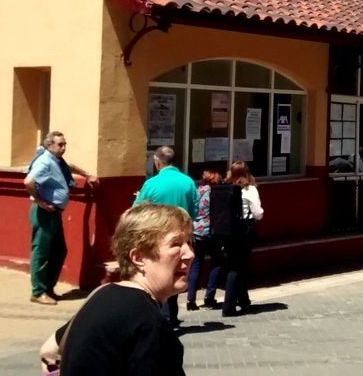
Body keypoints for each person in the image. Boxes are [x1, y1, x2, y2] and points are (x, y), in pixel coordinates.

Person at [39, 203, 193, 375]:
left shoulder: (102, 294)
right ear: (138, 258)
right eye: (176, 244)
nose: (190, 253)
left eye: (189, 242)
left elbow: (49, 350)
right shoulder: (150, 325)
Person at [23, 131, 99, 305]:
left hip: (54, 213)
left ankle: (48, 288)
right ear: (50, 146)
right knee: (41, 252)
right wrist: (40, 201)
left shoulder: (56, 160)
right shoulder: (44, 162)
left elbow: (68, 166)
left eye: (64, 144)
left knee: (59, 251)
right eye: (60, 145)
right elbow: (28, 182)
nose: (63, 148)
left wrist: (86, 174)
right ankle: (38, 292)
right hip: (45, 212)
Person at [134, 146, 198, 328]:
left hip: (158, 237)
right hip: (182, 237)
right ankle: (172, 315)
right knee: (178, 272)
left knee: (159, 274)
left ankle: (163, 317)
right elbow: (194, 211)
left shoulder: (151, 184)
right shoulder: (188, 182)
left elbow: (137, 210)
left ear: (157, 162)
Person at [221, 161, 265, 317]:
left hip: (228, 231)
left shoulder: (225, 188)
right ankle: (229, 306)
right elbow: (258, 213)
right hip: (245, 229)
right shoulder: (250, 189)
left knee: (235, 264)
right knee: (238, 267)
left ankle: (243, 300)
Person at [186, 170, 225, 311]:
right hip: (213, 233)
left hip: (196, 232)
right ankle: (209, 296)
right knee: (217, 263)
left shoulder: (196, 191)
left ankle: (191, 299)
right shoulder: (217, 194)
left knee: (196, 265)